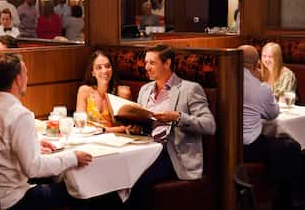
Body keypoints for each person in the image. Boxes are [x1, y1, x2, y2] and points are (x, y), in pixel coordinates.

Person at [0, 53, 92, 210]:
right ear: (17, 79)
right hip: (14, 200)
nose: (27, 78)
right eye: (25, 73)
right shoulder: (19, 114)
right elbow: (33, 168)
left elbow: (3, 144)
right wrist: (73, 158)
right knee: (81, 191)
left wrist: (34, 144)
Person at [126, 44, 216, 209]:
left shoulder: (189, 89)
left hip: (172, 154)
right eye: (146, 63)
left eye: (152, 63)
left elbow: (209, 125)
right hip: (145, 149)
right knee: (119, 176)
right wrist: (135, 127)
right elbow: (142, 122)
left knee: (135, 179)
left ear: (167, 63)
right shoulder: (145, 90)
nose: (147, 67)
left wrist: (178, 117)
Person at [239, 45, 302, 210]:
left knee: (281, 147)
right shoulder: (260, 87)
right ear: (256, 64)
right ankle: (289, 201)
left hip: (224, 142)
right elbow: (273, 113)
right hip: (247, 146)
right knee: (291, 147)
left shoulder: (224, 79)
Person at [76, 50, 134, 133]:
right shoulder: (84, 91)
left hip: (112, 140)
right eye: (99, 67)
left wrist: (104, 130)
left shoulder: (122, 92)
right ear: (92, 72)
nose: (104, 71)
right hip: (87, 138)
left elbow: (127, 127)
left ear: (112, 69)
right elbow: (79, 123)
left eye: (107, 66)